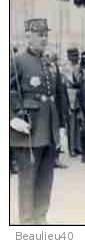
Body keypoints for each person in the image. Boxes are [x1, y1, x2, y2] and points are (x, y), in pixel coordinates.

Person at [10, 18, 66, 224]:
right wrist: (11, 118)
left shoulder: (50, 63)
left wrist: (61, 127)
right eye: (39, 35)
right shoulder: (17, 61)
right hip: (28, 131)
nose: (44, 38)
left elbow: (60, 97)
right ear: (28, 36)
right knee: (28, 180)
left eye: (46, 34)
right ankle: (26, 222)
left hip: (48, 130)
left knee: (45, 179)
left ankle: (40, 217)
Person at [62, 48, 83, 157]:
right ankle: (71, 148)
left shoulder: (79, 66)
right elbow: (73, 82)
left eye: (76, 55)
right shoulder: (66, 68)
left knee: (78, 124)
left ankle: (78, 146)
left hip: (78, 98)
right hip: (70, 97)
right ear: (69, 56)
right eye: (73, 55)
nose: (76, 57)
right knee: (71, 125)